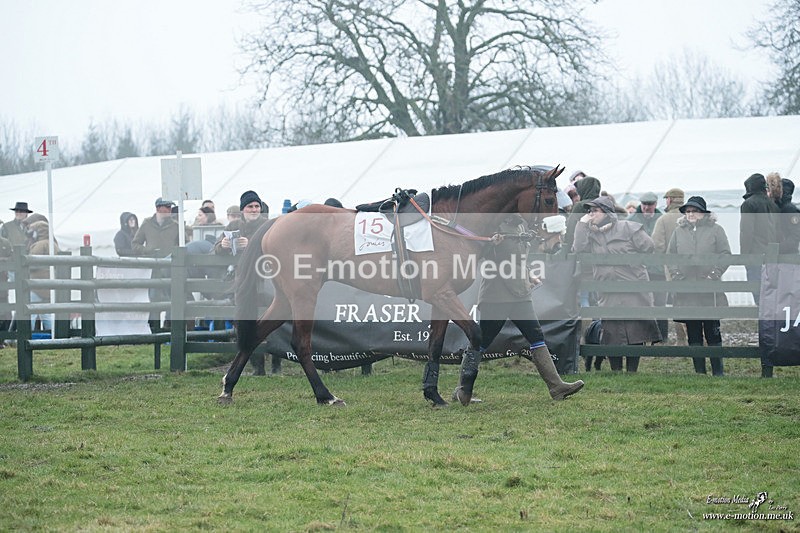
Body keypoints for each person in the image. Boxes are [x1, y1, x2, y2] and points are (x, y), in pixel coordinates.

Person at [453, 214, 583, 404]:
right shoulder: (495, 225)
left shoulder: (521, 227)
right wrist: (491, 243)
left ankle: (556, 387)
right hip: (496, 297)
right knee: (480, 341)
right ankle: (463, 391)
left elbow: (517, 260)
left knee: (536, 336)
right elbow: (482, 254)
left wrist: (529, 274)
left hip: (520, 296)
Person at [572, 195, 662, 372]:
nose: (592, 214)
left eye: (595, 210)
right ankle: (616, 372)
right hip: (607, 289)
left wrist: (633, 263)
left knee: (635, 331)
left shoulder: (628, 227)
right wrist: (581, 224)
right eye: (590, 210)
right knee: (611, 331)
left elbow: (649, 247)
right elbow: (578, 248)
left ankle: (632, 371)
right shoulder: (590, 233)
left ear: (606, 212)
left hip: (633, 288)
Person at [667, 196, 731, 376]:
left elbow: (726, 254)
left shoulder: (716, 230)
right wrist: (676, 274)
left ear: (703, 213)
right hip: (687, 290)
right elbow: (670, 255)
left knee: (712, 330)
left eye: (694, 210)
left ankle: (718, 371)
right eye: (687, 211)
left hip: (709, 288)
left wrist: (715, 273)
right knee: (693, 331)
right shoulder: (678, 231)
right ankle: (699, 372)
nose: (690, 214)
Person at [627, 191, 667, 340]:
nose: (646, 208)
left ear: (655, 205)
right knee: (641, 303)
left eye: (649, 205)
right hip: (638, 270)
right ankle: (642, 335)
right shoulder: (631, 220)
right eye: (644, 204)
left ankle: (662, 336)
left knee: (660, 303)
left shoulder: (662, 219)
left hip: (658, 270)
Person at [652, 188, 688, 344]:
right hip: (693, 268)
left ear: (670, 200)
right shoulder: (692, 216)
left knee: (677, 301)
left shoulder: (664, 219)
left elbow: (657, 245)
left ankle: (681, 339)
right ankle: (698, 337)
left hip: (672, 269)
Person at [739, 173, 779, 304]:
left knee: (758, 294)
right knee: (771, 294)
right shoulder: (773, 204)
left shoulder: (748, 204)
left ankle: (763, 322)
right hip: (773, 255)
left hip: (754, 254)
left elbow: (747, 232)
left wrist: (744, 255)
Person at [27, 220, 60, 332]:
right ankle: (51, 335)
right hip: (49, 284)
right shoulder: (53, 244)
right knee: (46, 313)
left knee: (30, 312)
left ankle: (26, 335)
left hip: (37, 285)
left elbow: (31, 263)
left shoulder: (39, 245)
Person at [214, 191, 268, 256]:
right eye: (250, 207)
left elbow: (273, 247)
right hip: (235, 264)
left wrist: (250, 245)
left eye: (257, 206)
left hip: (259, 264)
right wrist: (222, 245)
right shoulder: (233, 225)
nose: (254, 210)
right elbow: (216, 249)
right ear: (242, 210)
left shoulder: (267, 225)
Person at [766, 173, 800, 254]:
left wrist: (778, 249)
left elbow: (795, 236)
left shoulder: (789, 209)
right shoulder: (778, 207)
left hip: (788, 256)